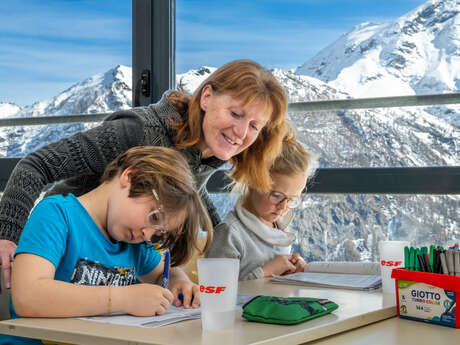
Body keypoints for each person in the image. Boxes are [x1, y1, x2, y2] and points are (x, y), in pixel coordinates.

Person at [0, 59, 289, 291]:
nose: (242, 133)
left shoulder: (202, 151)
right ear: (207, 97)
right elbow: (36, 165)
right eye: (236, 114)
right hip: (60, 256)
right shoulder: (137, 131)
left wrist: (230, 243)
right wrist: (7, 238)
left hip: (113, 264)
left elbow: (194, 196)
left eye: (254, 126)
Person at [0, 146, 213, 345]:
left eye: (158, 233)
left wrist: (179, 281)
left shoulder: (136, 241)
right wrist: (122, 299)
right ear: (129, 177)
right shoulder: (57, 215)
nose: (148, 234)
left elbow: (166, 272)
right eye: (154, 217)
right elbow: (27, 296)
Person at [205, 128, 317, 280]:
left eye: (292, 200)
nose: (284, 207)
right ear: (252, 181)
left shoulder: (280, 226)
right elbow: (216, 288)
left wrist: (294, 268)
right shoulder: (229, 234)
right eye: (277, 196)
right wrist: (264, 272)